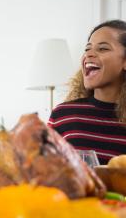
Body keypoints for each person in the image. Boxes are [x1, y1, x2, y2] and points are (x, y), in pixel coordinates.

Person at [48, 20, 126, 165]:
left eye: (103, 49)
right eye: (87, 49)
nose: (89, 54)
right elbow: (44, 170)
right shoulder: (63, 115)